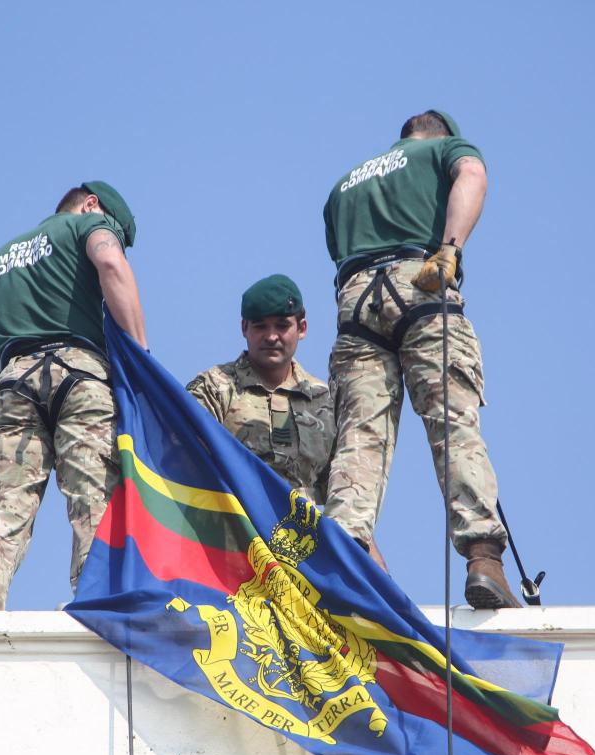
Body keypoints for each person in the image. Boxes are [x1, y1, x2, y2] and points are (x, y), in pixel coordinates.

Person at [321, 110, 519, 608]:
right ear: (439, 136)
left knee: (359, 437)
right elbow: (473, 176)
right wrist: (449, 249)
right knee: (452, 421)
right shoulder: (444, 150)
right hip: (420, 281)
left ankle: (339, 555)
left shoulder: (345, 185)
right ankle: (483, 558)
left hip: (356, 301)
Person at [0, 182, 147, 611]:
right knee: (93, 495)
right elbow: (111, 264)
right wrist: (142, 359)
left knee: (3, 505)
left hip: (12, 385)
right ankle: (100, 603)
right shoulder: (87, 227)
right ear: (91, 205)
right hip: (80, 374)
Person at [186, 275, 336, 505]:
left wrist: (363, 541)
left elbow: (342, 489)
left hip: (297, 535)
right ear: (244, 328)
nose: (271, 336)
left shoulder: (322, 400)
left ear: (302, 328)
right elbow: (182, 456)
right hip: (229, 529)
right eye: (260, 326)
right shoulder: (215, 387)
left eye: (282, 326)